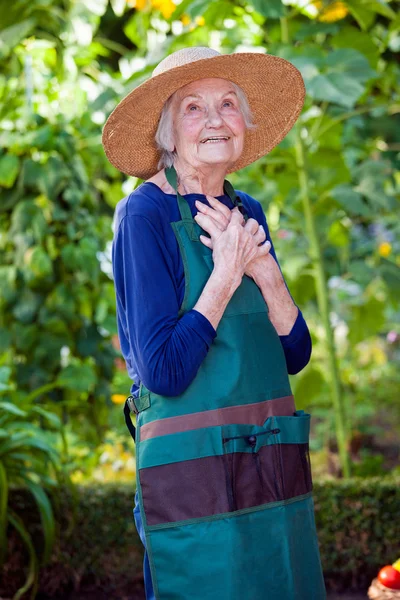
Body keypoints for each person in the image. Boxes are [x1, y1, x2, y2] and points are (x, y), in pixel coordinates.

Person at [103, 47, 326, 600]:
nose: (215, 120)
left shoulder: (247, 210)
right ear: (167, 134)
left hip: (269, 471)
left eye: (228, 104)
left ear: (245, 124)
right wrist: (225, 275)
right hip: (196, 483)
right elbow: (164, 371)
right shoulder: (144, 216)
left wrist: (265, 273)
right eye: (193, 108)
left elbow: (294, 353)